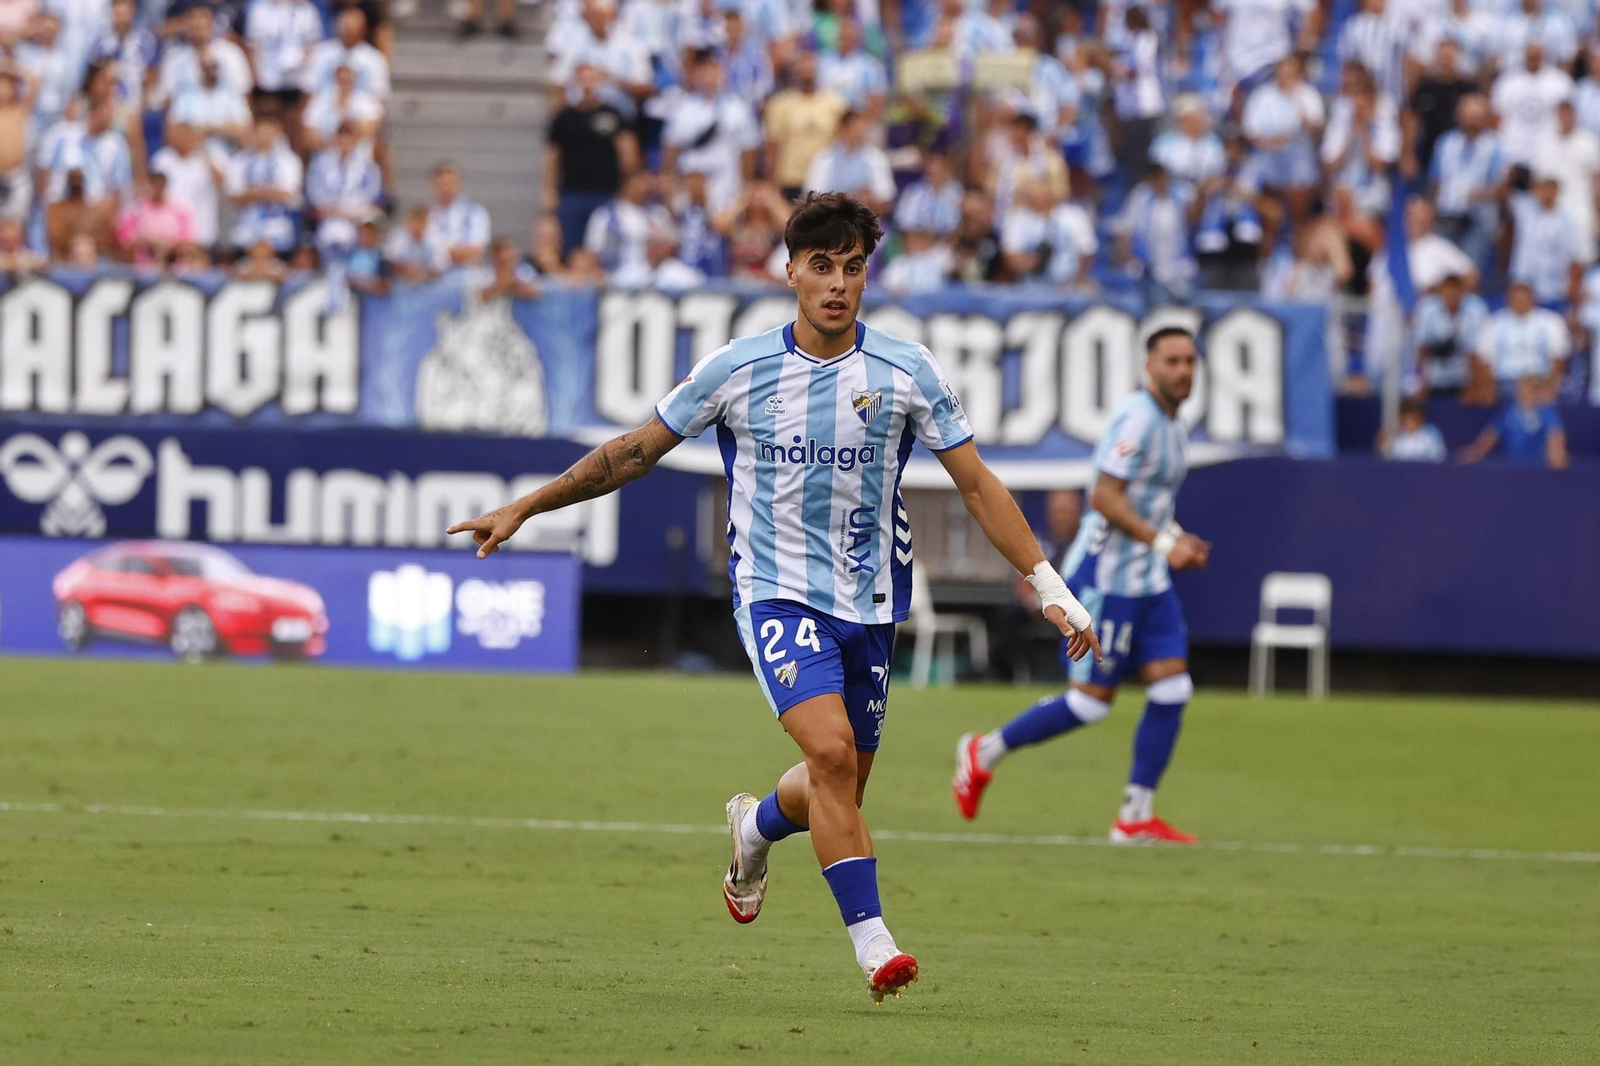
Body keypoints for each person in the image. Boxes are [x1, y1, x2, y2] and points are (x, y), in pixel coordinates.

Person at [445, 192, 1100, 1001]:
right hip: (776, 596)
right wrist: (525, 506)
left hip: (871, 604)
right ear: (789, 271)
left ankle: (753, 829)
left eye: (852, 268)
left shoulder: (907, 371)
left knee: (841, 787)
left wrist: (1050, 586)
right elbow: (630, 454)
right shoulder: (739, 368)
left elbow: (976, 486)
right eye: (820, 266)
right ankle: (874, 945)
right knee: (827, 756)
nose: (837, 284)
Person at [954, 327, 1209, 846]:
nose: (1183, 370)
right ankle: (984, 752)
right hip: (1109, 579)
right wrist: (1164, 544)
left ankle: (1135, 816)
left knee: (1173, 688)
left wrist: (1177, 537)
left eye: (1189, 360)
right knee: (1092, 702)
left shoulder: (1175, 424)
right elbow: (1105, 498)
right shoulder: (1138, 418)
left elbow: (1150, 502)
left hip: (1148, 581)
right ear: (1149, 367)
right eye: (1172, 361)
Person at [1458, 374, 1569, 468]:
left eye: (1527, 391)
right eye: (1520, 391)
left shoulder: (1547, 412)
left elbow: (1555, 437)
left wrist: (1557, 454)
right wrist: (1476, 452)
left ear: (1536, 393)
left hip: (1537, 469)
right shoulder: (1509, 412)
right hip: (1513, 469)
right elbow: (1491, 434)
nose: (1522, 395)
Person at [1378, 397, 1447, 461]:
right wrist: (1382, 444)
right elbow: (1387, 457)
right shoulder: (1396, 436)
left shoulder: (1431, 434)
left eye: (1410, 419)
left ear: (1419, 419)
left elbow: (1439, 456)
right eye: (1403, 420)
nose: (1406, 423)